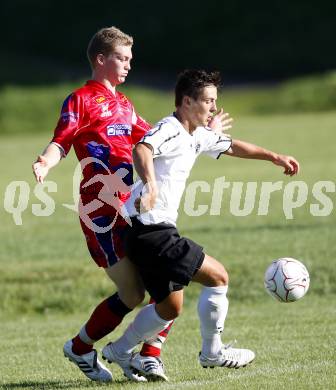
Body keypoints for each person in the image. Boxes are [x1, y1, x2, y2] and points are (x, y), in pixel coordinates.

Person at [32, 28, 230, 383]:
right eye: (122, 59)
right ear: (101, 59)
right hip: (103, 215)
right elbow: (61, 141)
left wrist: (202, 125)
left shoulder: (124, 104)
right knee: (134, 292)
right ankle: (80, 348)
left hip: (136, 208)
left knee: (170, 282)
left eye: (130, 60)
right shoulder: (80, 100)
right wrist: (45, 162)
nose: (127, 66)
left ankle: (148, 355)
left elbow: (155, 135)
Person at [101, 69, 300, 380]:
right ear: (187, 101)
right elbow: (142, 148)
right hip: (151, 230)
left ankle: (119, 350)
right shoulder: (170, 128)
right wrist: (150, 184)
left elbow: (232, 146)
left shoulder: (196, 134)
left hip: (147, 233)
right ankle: (212, 352)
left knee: (169, 309)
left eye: (215, 101)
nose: (212, 107)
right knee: (218, 276)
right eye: (208, 101)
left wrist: (274, 156)